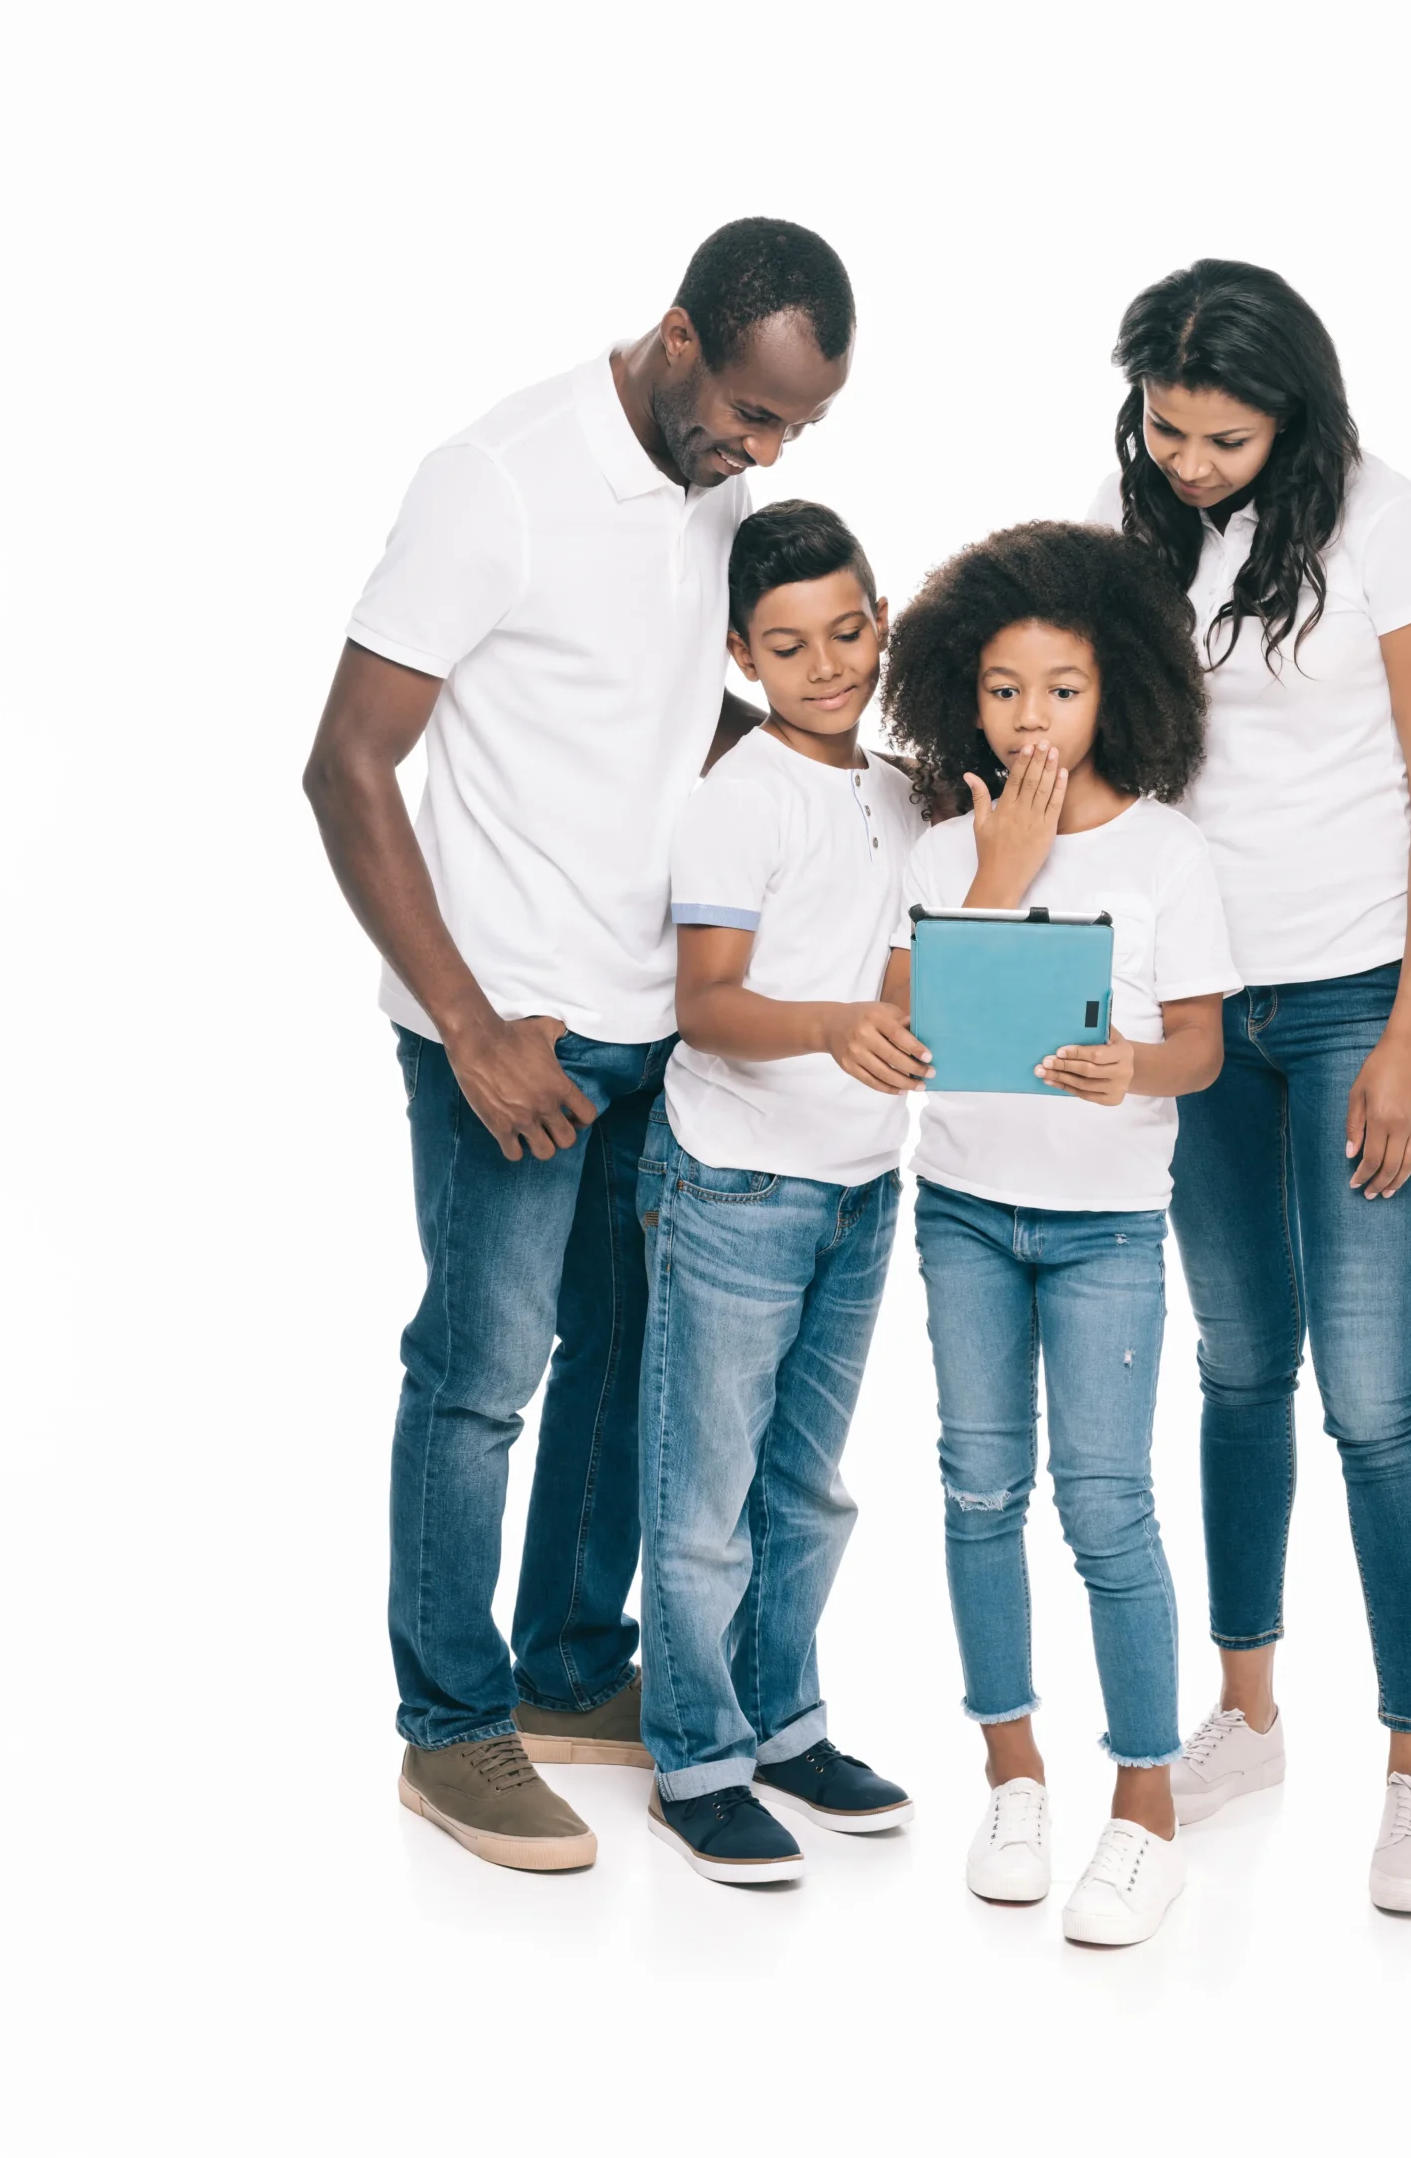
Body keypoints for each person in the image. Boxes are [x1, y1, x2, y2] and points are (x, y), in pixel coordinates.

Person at [302, 219, 855, 1873]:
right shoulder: (498, 481)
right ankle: (450, 1730)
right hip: (514, 1032)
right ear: (679, 335)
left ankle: (559, 1670)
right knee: (477, 1380)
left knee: (621, 1368)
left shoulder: (713, 495)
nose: (765, 453)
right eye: (754, 415)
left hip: (654, 1024)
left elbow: (672, 708)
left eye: (796, 433)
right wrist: (466, 1028)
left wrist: (850, 759)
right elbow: (345, 763)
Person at [1092, 259, 1411, 1914]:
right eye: (1164, 430)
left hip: (1353, 1009)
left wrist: (1405, 1033)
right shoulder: (1149, 525)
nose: (1185, 460)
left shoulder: (1386, 527)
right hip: (1205, 1015)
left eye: (1221, 438)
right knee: (1238, 1369)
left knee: (1370, 1399)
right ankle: (1243, 1718)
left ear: (1292, 416)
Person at [879, 524, 1239, 1948]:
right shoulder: (940, 844)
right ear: (963, 698)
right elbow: (906, 1027)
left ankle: (1142, 1811)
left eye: (1064, 687)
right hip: (963, 1211)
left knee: (1106, 1507)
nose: (1032, 718)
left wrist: (1131, 1068)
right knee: (977, 1493)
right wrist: (1000, 869)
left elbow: (1202, 1047)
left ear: (1117, 691)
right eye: (1004, 688)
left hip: (1102, 1231)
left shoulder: (1166, 851)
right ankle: (1010, 1775)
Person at [636, 500, 928, 1883]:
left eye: (849, 631)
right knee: (704, 1498)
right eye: (791, 645)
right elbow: (704, 1008)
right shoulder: (737, 798)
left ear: (881, 621)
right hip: (738, 1187)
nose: (829, 665)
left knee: (804, 1491)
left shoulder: (896, 791)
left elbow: (896, 975)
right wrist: (825, 1028)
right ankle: (695, 1756)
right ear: (745, 657)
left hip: (863, 1186)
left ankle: (781, 1721)